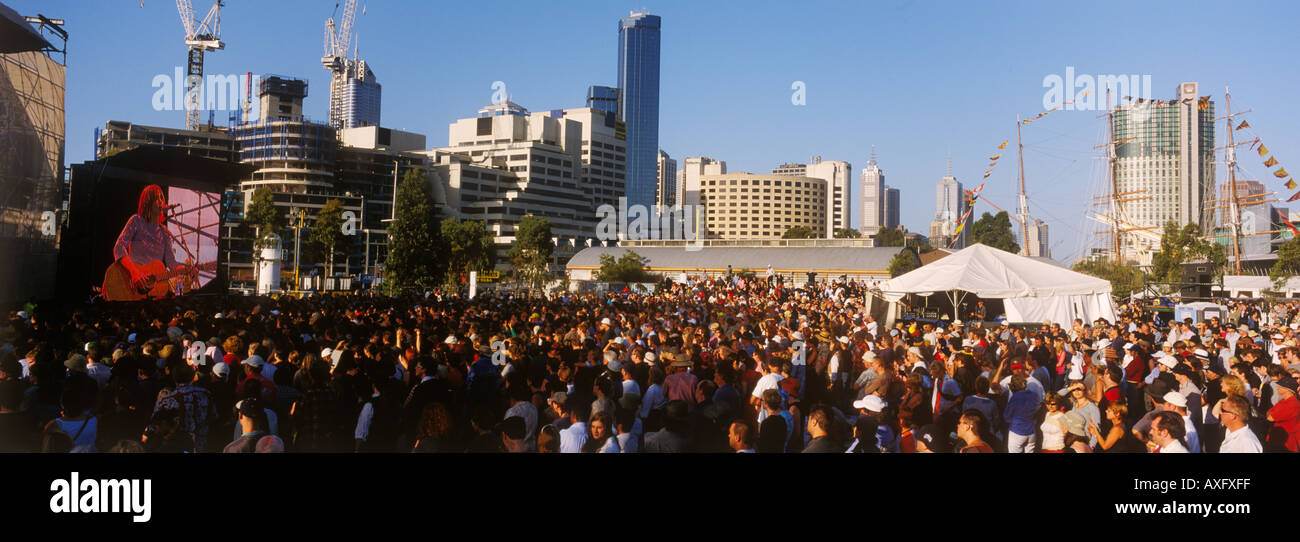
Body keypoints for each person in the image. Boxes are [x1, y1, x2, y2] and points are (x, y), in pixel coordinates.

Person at [108, 184, 197, 300]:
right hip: (132, 286)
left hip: (153, 293)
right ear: (148, 202)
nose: (161, 202)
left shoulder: (164, 232)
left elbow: (171, 263)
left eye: (162, 199)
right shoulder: (136, 221)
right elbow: (119, 247)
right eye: (157, 198)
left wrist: (187, 268)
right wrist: (135, 273)